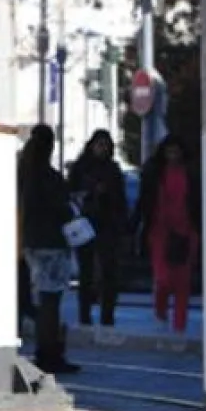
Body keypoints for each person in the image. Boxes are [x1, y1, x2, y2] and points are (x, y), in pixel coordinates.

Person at [17, 125, 80, 375]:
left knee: (44, 299)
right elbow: (60, 207)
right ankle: (49, 353)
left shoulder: (23, 174)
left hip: (32, 241)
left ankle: (46, 350)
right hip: (52, 242)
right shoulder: (48, 176)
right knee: (51, 301)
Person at [135, 135, 200, 333]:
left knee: (182, 281)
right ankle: (161, 313)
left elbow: (196, 200)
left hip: (186, 230)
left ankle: (179, 324)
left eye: (176, 151)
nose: (173, 155)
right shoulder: (155, 173)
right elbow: (145, 200)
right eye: (169, 151)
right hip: (160, 230)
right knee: (163, 278)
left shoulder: (190, 173)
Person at [67, 129, 128, 327]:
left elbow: (120, 199)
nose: (102, 149)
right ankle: (85, 314)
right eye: (99, 145)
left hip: (108, 224)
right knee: (86, 272)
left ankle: (107, 314)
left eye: (105, 145)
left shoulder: (113, 169)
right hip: (86, 224)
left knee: (109, 271)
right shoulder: (81, 167)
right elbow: (70, 193)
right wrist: (89, 193)